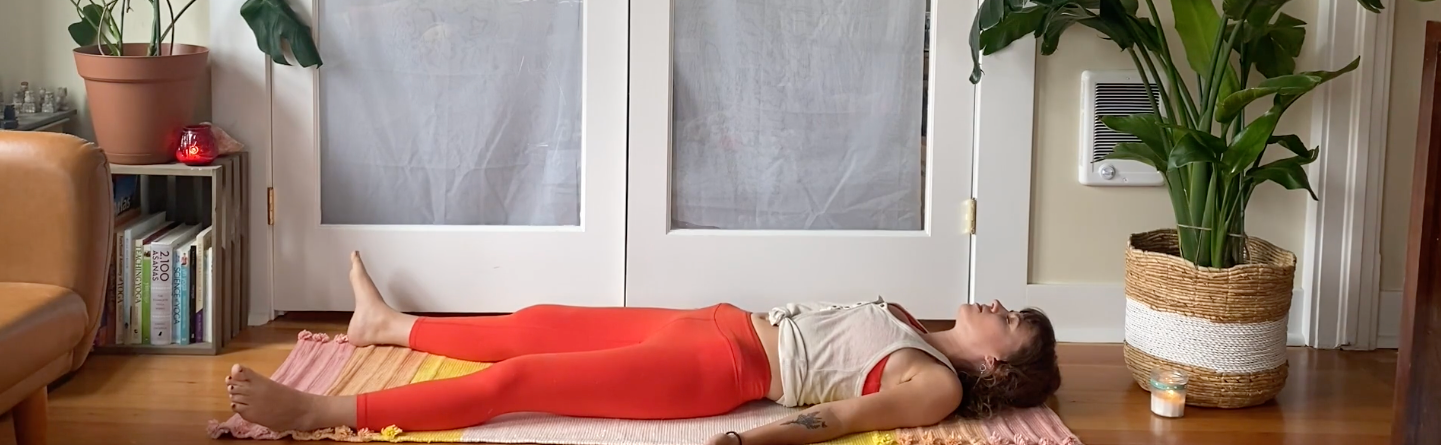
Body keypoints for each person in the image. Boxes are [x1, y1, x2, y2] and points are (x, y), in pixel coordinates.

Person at [226, 254, 1060, 440]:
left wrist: (750, 438)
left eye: (1008, 318)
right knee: (537, 321)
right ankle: (388, 329)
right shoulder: (916, 321)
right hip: (712, 321)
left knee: (517, 380)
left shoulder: (933, 384)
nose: (994, 304)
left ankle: (318, 409)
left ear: (997, 363)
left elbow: (840, 416)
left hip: (720, 369)